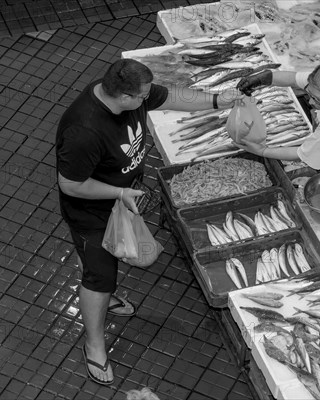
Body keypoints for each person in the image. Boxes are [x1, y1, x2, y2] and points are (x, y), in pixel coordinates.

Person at [55, 58, 240, 385]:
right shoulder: (83, 129)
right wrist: (118, 192)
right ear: (123, 96)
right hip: (93, 211)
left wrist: (215, 100)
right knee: (99, 275)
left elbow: (169, 97)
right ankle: (94, 344)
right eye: (141, 97)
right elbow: (70, 184)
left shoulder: (130, 96)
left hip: (121, 199)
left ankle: (104, 296)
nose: (147, 100)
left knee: (103, 265)